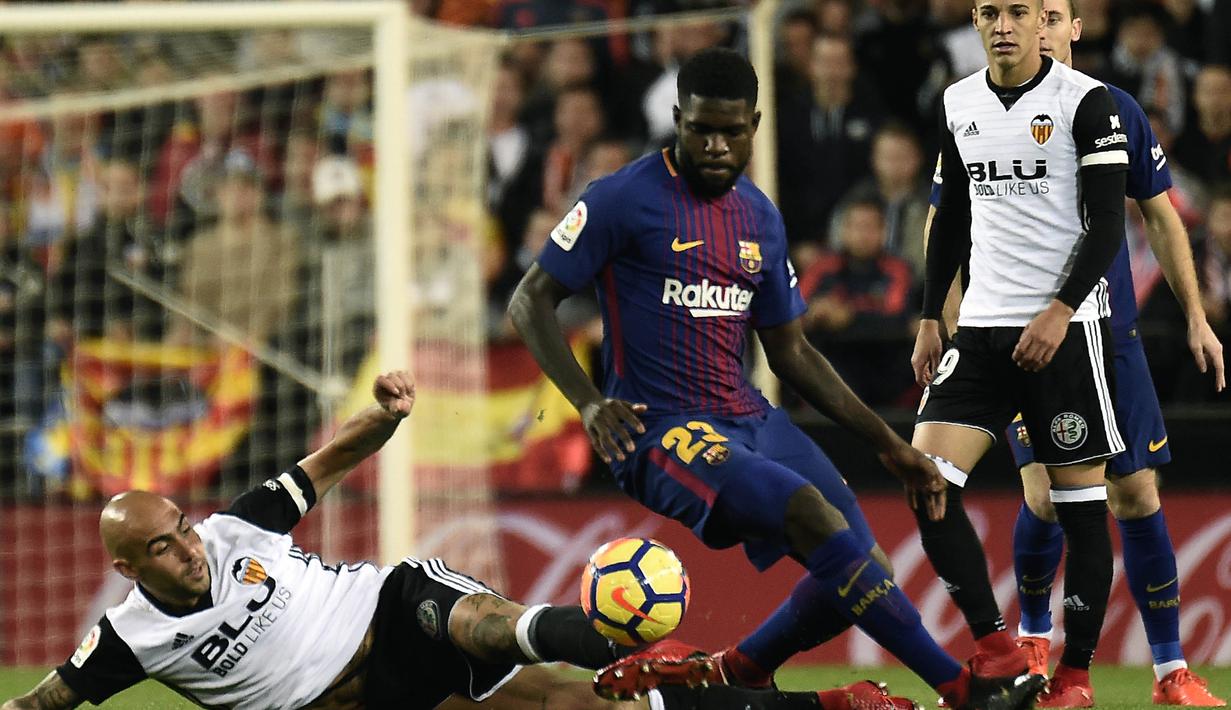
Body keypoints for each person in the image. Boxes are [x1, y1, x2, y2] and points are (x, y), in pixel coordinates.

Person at [509, 47, 1043, 710]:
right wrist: (588, 404)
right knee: (809, 518)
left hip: (751, 417)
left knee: (861, 568)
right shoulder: (620, 198)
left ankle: (742, 667)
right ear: (677, 119)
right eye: (700, 128)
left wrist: (889, 444)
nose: (715, 145)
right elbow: (528, 299)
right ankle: (963, 692)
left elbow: (791, 352)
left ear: (753, 125)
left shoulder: (759, 216)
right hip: (660, 428)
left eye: (731, 131)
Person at [0, 369, 892, 710]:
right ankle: (829, 707)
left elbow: (325, 462)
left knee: (478, 623)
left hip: (387, 609)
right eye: (163, 547)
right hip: (365, 703)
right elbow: (46, 703)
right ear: (127, 567)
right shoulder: (130, 638)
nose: (189, 548)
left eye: (182, 528)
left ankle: (609, 633)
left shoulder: (236, 528)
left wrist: (383, 419)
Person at [921, 1, 1227, 705]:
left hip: (1104, 335)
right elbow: (949, 215)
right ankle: (1031, 642)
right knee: (1045, 495)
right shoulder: (973, 107)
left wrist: (1193, 317)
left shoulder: (1108, 107)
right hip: (1014, 335)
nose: (1038, 30)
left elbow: (1158, 214)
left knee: (1137, 493)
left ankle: (1168, 670)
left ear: (1072, 28)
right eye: (1019, 16)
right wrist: (947, 319)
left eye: (1050, 16)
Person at [912, 0, 1134, 706]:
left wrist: (1060, 310)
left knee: (1078, 508)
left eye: (1016, 11)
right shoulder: (957, 102)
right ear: (974, 23)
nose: (1002, 25)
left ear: (1043, 23)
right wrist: (927, 316)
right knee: (926, 482)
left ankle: (1074, 676)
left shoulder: (1086, 103)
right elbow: (950, 217)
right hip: (979, 331)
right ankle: (996, 648)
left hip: (1066, 334)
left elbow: (1107, 224)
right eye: (988, 13)